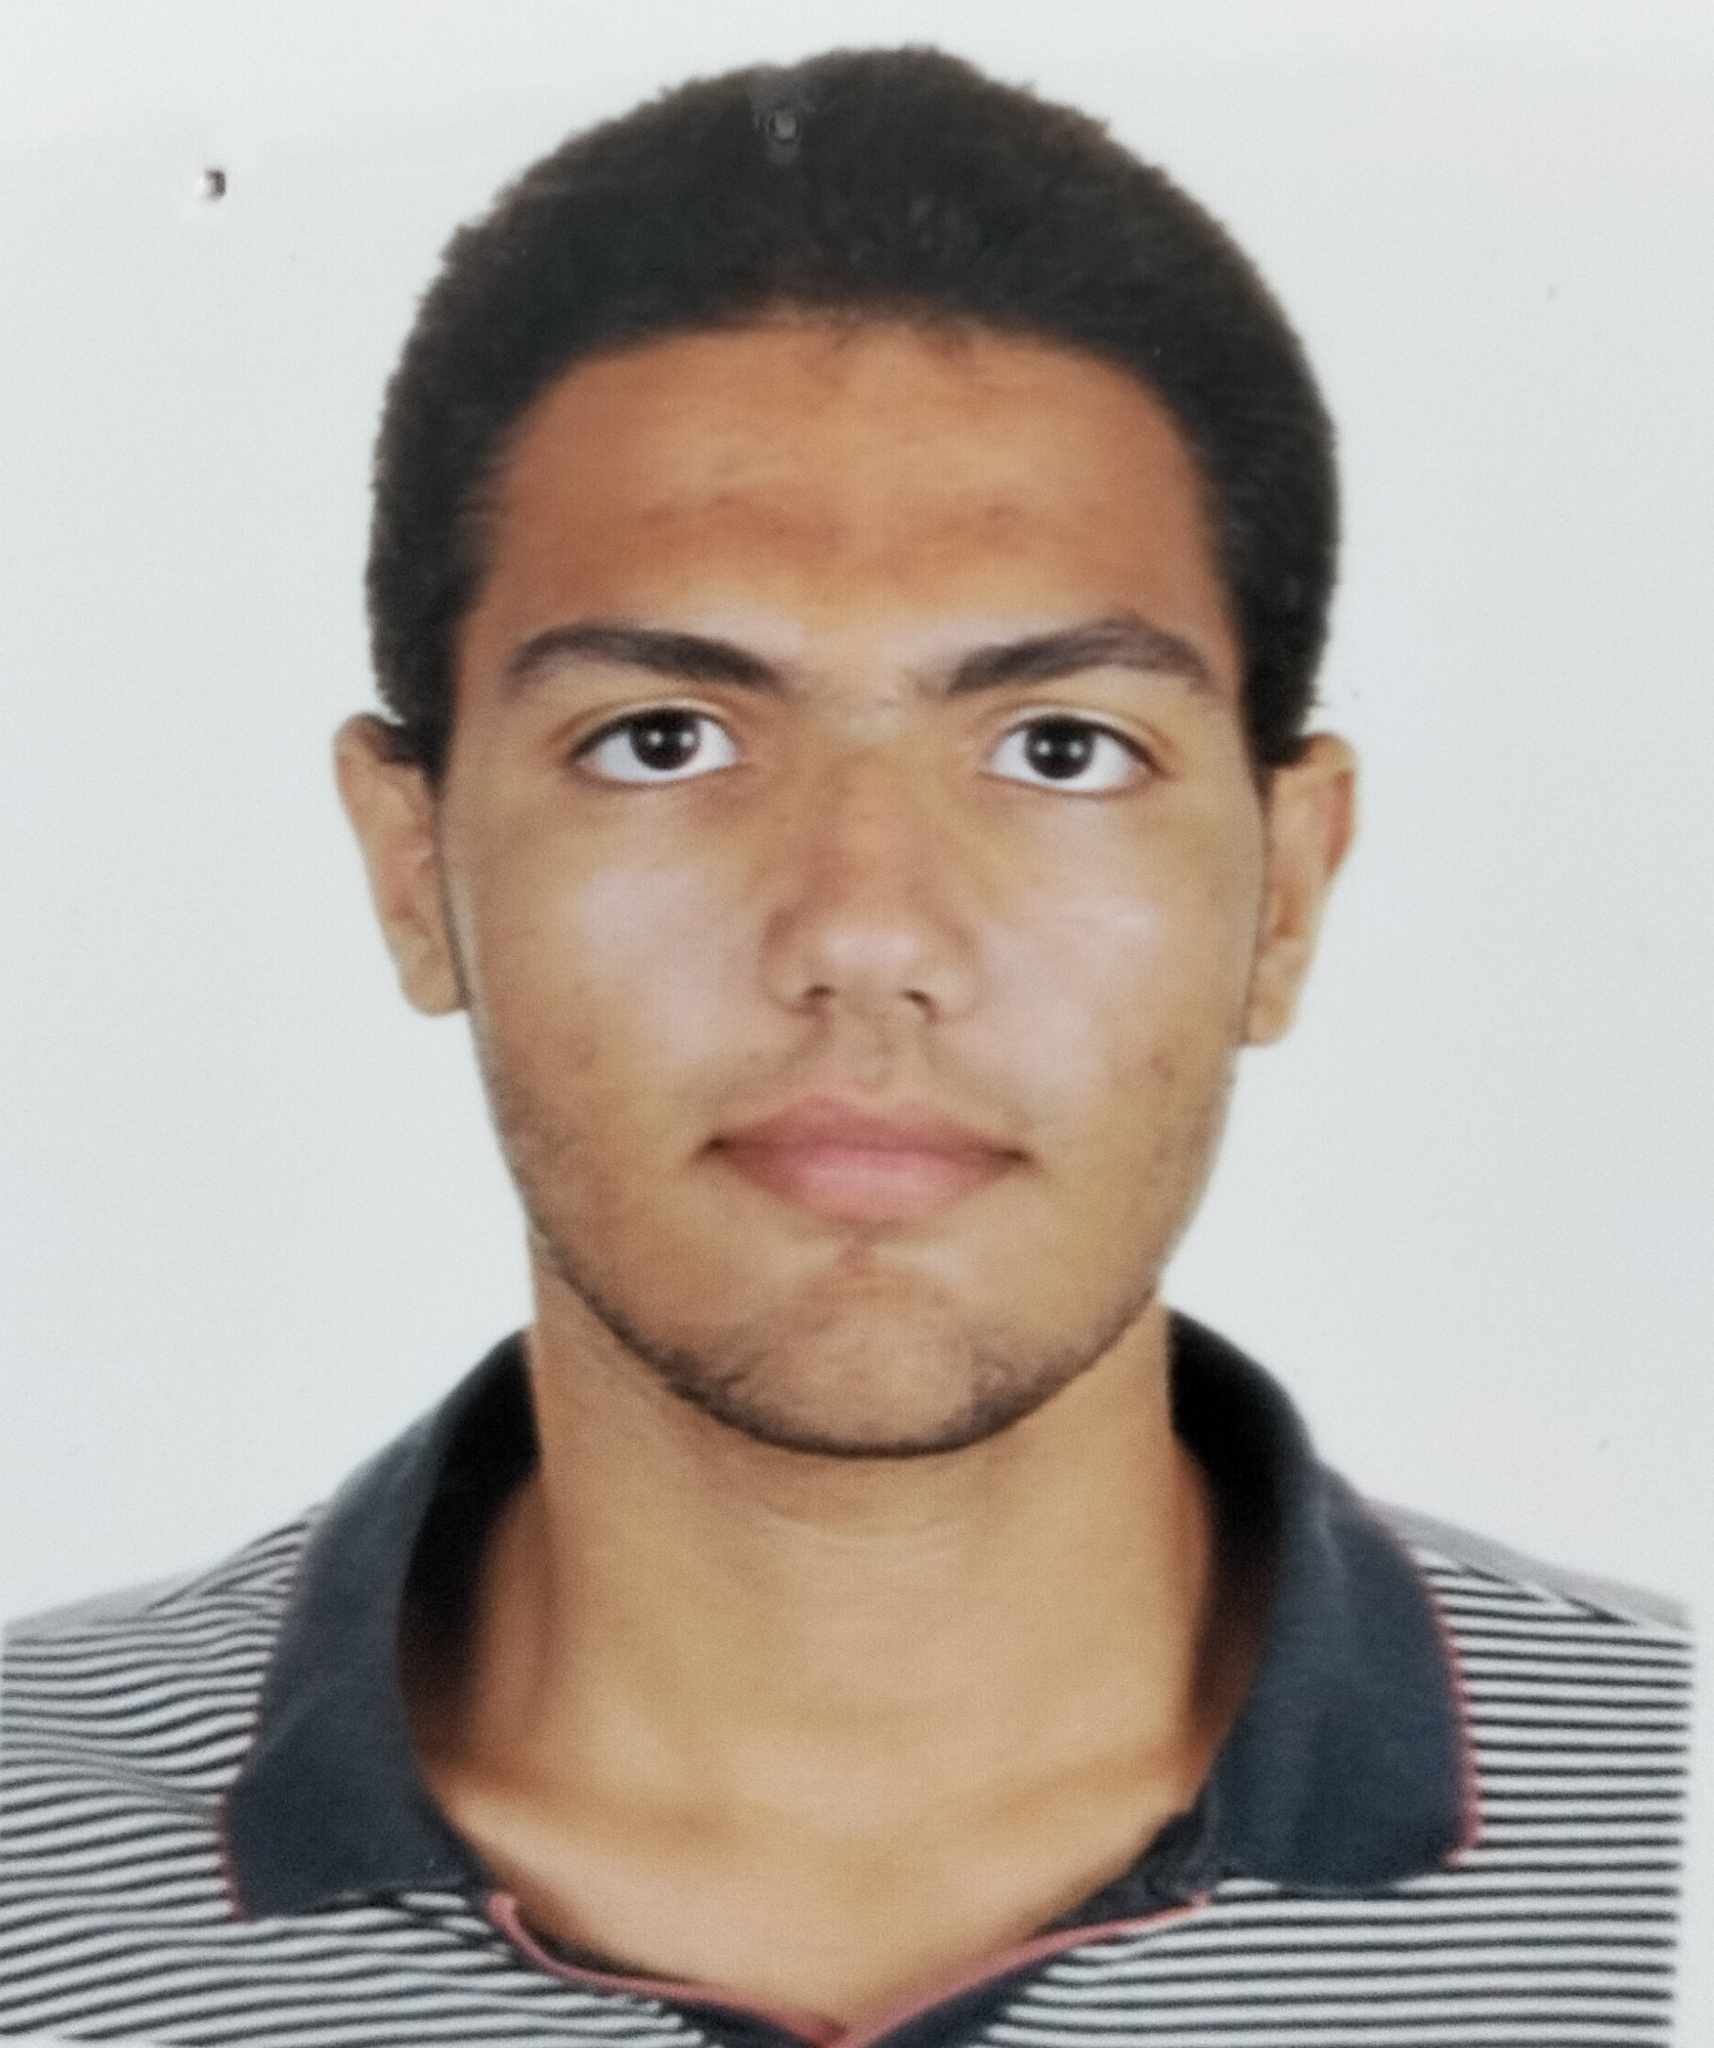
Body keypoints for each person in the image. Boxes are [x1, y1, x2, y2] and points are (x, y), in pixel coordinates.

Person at [0, 43, 1691, 2048]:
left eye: (1059, 748)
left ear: (1286, 889)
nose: (865, 936)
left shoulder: (1662, 1835)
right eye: (662, 740)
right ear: (413, 864)